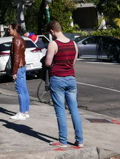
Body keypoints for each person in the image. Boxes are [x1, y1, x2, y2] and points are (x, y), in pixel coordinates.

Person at [45, 20, 84, 148]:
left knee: (60, 110)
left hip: (58, 79)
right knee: (74, 110)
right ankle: (80, 140)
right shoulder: (73, 43)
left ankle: (63, 141)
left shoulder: (53, 44)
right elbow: (73, 62)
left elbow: (48, 63)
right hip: (71, 79)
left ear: (52, 31)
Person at [8, 22, 29, 121]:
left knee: (20, 91)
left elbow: (16, 57)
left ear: (14, 30)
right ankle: (26, 111)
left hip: (19, 68)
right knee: (24, 90)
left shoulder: (16, 40)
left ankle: (22, 113)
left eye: (10, 29)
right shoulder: (21, 39)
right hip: (23, 66)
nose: (9, 30)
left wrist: (14, 72)